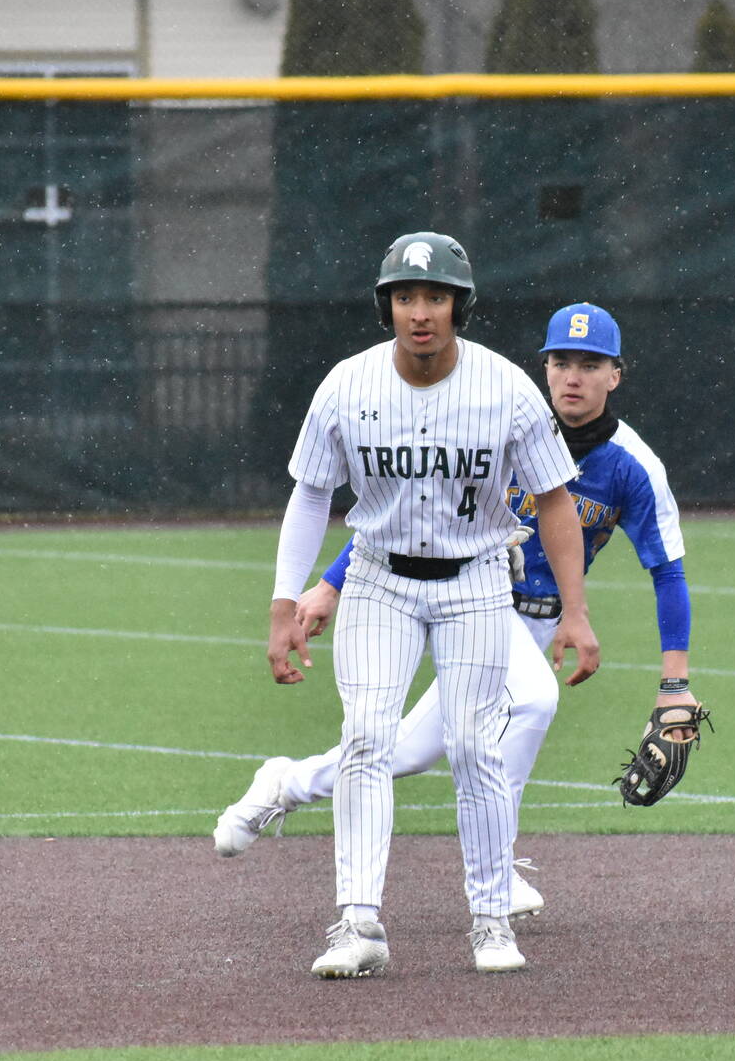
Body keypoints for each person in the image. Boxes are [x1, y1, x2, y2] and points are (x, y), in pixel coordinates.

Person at [220, 300, 698, 929]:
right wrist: (332, 585)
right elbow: (411, 511)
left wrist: (675, 686)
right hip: (474, 598)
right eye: (560, 362)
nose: (572, 377)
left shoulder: (632, 465)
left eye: (591, 364)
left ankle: (285, 783)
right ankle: (497, 865)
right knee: (533, 701)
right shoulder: (500, 420)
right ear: (544, 368)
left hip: (537, 621)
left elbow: (667, 570)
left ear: (616, 375)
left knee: (402, 754)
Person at [256, 232, 599, 978]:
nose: (420, 312)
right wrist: (286, 602)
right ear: (388, 306)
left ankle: (489, 921)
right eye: (406, 296)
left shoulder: (507, 388)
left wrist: (573, 610)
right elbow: (311, 492)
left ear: (458, 306)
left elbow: (553, 500)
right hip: (378, 578)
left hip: (476, 579)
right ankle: (357, 922)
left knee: (475, 745)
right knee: (367, 734)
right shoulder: (347, 385)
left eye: (435, 297)